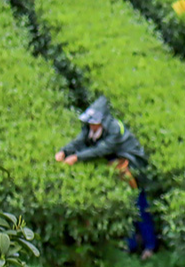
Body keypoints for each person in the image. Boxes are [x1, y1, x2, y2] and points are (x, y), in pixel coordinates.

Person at [55, 96, 156, 261]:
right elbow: (79, 141)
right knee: (124, 206)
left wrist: (77, 158)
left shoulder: (114, 129)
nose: (92, 125)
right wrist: (64, 151)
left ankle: (150, 246)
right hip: (115, 167)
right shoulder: (90, 129)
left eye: (95, 123)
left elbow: (102, 149)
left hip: (132, 166)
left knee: (138, 204)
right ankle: (130, 244)